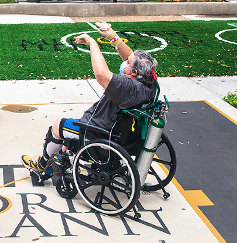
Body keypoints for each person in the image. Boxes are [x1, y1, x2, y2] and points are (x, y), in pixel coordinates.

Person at [22, 22, 158, 177]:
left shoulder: (126, 88)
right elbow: (130, 57)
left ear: (133, 72)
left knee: (58, 126)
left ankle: (43, 166)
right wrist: (113, 37)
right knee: (68, 135)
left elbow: (101, 74)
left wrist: (93, 43)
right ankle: (62, 155)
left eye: (127, 63)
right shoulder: (149, 83)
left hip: (98, 132)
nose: (124, 61)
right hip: (120, 134)